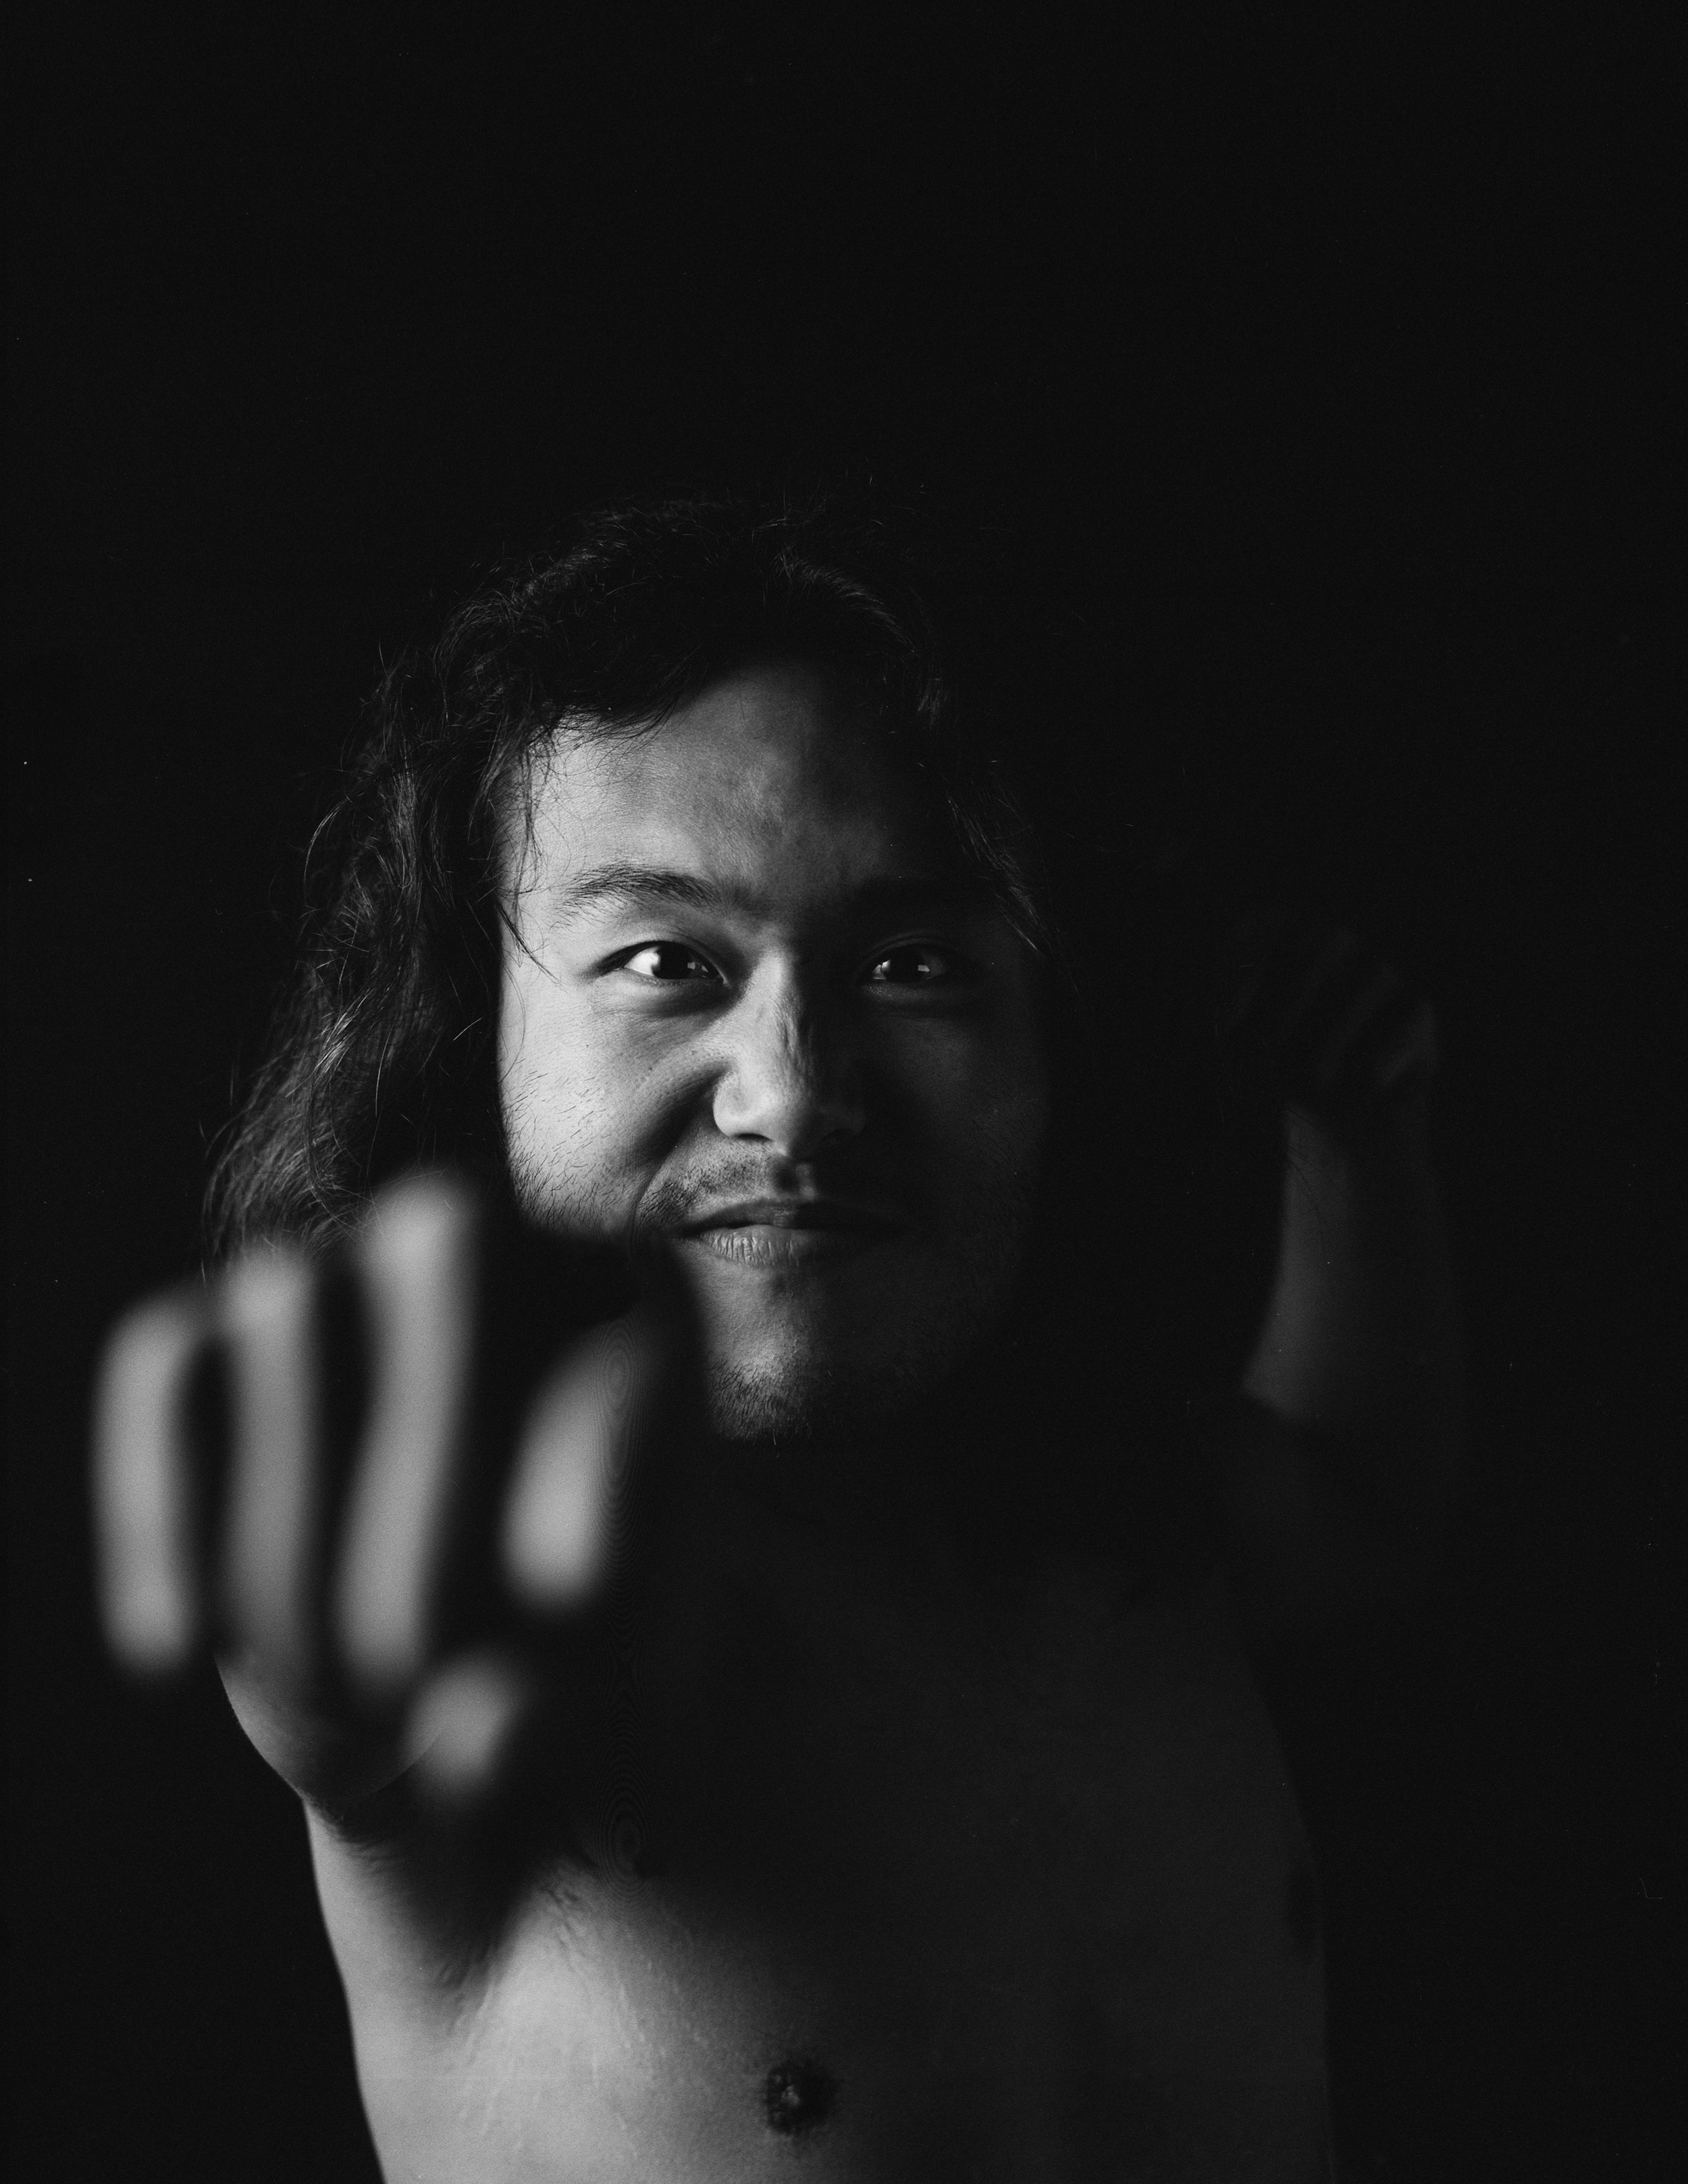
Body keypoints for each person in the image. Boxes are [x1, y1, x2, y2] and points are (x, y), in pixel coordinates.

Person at [93, 487, 1462, 2181]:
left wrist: (1351, 1132)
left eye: (913, 965)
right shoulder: (492, 1607)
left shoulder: (1127, 1501)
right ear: (471, 1035)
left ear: (1055, 1031)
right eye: (663, 961)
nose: (793, 1095)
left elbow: (1364, 1511)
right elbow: (343, 1661)